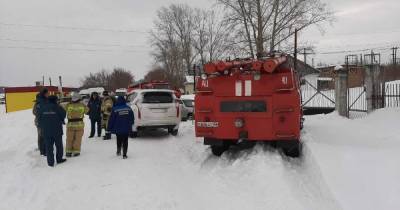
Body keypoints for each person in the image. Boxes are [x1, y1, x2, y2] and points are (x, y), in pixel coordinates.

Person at [37, 95, 67, 167]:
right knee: (59, 146)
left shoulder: (42, 108)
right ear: (55, 100)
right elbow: (63, 115)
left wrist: (43, 127)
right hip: (57, 131)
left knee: (48, 147)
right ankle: (59, 159)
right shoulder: (58, 107)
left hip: (46, 131)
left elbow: (39, 119)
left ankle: (50, 162)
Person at [65, 93, 89, 157]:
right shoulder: (82, 105)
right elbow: (87, 111)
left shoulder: (68, 105)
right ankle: (76, 152)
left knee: (69, 138)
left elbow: (64, 109)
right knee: (78, 139)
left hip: (70, 125)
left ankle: (68, 152)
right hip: (79, 125)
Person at [32, 88, 49, 156]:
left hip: (43, 121)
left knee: (42, 135)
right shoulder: (40, 102)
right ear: (44, 94)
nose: (48, 94)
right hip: (40, 121)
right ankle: (43, 151)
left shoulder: (45, 101)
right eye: (47, 93)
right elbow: (34, 112)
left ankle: (42, 148)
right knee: (42, 135)